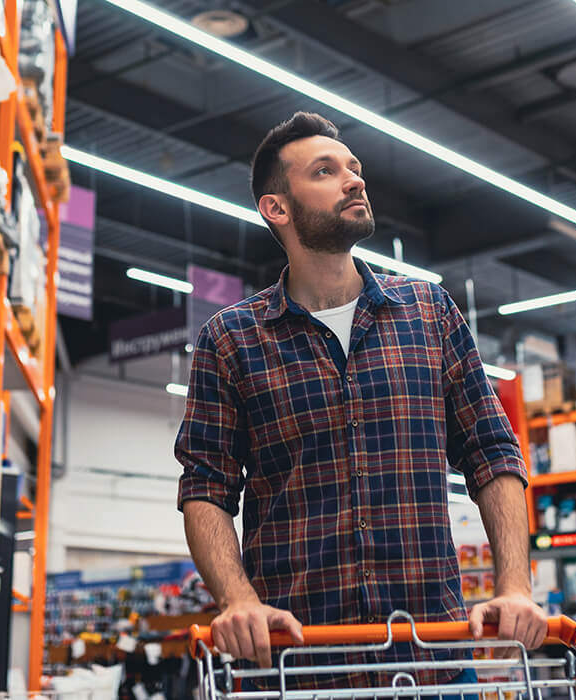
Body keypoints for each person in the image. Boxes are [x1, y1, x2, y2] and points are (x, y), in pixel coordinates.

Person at [175, 111, 546, 691]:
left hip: (431, 662)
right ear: (277, 208)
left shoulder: (429, 312)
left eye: (355, 169)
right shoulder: (232, 338)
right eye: (325, 171)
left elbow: (494, 454)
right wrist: (237, 600)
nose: (354, 180)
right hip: (295, 666)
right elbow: (205, 486)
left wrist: (516, 586)